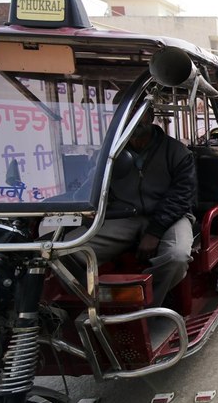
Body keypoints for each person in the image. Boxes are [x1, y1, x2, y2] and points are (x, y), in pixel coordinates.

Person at [68, 103, 196, 309]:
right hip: (123, 215)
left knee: (177, 257)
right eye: (127, 113)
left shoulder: (177, 152)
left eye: (139, 112)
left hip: (171, 217)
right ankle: (97, 302)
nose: (133, 119)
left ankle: (147, 306)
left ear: (150, 115)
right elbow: (92, 188)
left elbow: (182, 196)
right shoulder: (109, 151)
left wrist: (155, 232)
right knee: (67, 251)